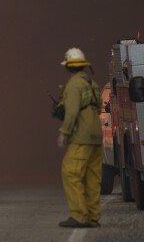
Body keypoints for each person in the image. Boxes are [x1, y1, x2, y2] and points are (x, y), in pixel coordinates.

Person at [56, 47, 103, 228]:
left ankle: (79, 216)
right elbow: (97, 108)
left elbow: (72, 111)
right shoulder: (93, 83)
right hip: (95, 136)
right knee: (92, 177)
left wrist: (64, 133)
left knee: (71, 174)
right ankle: (92, 216)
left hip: (81, 138)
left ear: (68, 67)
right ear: (83, 66)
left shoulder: (74, 84)